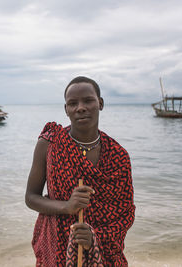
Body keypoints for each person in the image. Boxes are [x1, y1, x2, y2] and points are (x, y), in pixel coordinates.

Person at [25, 76, 135, 267]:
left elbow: (125, 214)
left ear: (100, 103)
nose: (80, 108)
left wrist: (95, 237)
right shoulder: (50, 144)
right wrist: (67, 206)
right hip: (57, 244)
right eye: (73, 103)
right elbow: (31, 197)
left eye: (88, 100)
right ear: (66, 109)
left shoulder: (118, 156)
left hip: (104, 251)